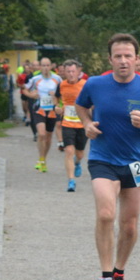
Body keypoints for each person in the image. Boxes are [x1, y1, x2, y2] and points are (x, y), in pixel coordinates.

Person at [78, 33, 140, 280]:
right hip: (103, 159)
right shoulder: (95, 84)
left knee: (129, 225)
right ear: (110, 59)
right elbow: (81, 106)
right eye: (118, 56)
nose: (123, 61)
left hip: (137, 163)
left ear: (136, 59)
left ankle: (119, 272)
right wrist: (87, 124)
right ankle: (105, 278)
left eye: (128, 56)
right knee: (106, 214)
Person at [24, 57, 62, 172]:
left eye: (47, 65)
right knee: (41, 134)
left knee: (49, 137)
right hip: (39, 109)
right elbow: (24, 89)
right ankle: (40, 158)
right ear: (40, 67)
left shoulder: (57, 79)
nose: (45, 68)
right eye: (43, 65)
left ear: (51, 66)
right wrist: (31, 95)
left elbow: (62, 93)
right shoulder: (35, 79)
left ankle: (43, 159)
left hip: (52, 110)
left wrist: (56, 96)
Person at [57, 59, 89, 192]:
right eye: (68, 71)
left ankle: (78, 162)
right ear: (64, 72)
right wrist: (57, 107)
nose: (71, 74)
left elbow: (91, 101)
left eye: (73, 71)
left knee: (80, 153)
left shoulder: (85, 85)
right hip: (67, 123)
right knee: (69, 151)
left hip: (82, 124)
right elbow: (57, 99)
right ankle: (71, 181)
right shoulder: (61, 85)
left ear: (78, 72)